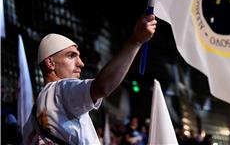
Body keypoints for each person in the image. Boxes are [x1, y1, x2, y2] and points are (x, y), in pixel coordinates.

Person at [23, 14, 156, 145]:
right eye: (71, 56)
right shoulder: (61, 89)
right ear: (50, 63)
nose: (81, 63)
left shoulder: (30, 123)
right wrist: (135, 41)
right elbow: (102, 87)